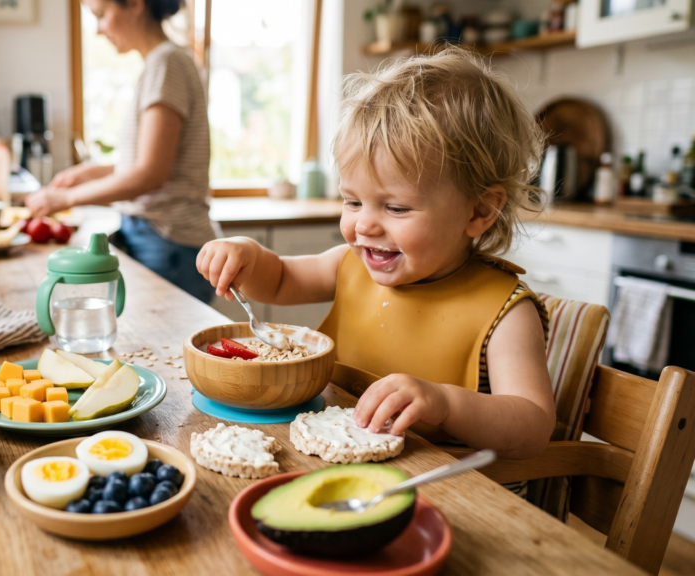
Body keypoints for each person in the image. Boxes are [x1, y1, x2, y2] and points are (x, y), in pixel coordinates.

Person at [196, 48, 556, 466]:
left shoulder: (506, 312)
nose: (364, 226)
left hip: (444, 489)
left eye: (396, 208)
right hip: (332, 461)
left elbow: (532, 428)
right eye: (352, 202)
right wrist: (247, 257)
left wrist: (445, 403)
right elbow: (277, 281)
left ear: (478, 211)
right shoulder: (350, 266)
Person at [27, 0, 216, 303]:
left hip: (168, 241)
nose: (99, 30)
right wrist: (88, 173)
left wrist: (65, 199)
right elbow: (146, 163)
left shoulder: (167, 64)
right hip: (158, 239)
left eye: (102, 16)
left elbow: (151, 174)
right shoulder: (162, 62)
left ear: (135, 5)